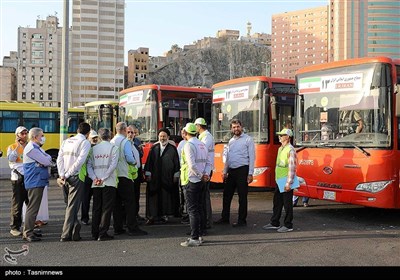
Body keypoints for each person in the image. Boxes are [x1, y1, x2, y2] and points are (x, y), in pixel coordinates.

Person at [215, 119, 255, 227]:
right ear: (231, 129)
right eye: (233, 127)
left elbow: (252, 157)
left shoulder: (248, 140)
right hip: (231, 171)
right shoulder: (231, 141)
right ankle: (225, 218)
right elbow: (228, 158)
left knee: (242, 197)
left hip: (243, 169)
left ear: (241, 127)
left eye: (237, 126)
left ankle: (242, 220)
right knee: (227, 195)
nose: (236, 129)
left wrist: (250, 173)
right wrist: (225, 171)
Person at [111, 122, 147, 236]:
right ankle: (132, 227)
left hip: (114, 176)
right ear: (125, 130)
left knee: (116, 203)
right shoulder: (125, 141)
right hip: (125, 175)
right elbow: (129, 157)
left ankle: (118, 227)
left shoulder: (112, 141)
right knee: (129, 202)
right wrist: (135, 163)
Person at [57, 122, 91, 242]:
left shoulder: (66, 141)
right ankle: (65, 235)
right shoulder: (85, 143)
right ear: (88, 133)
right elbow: (80, 162)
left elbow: (59, 159)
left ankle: (75, 229)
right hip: (75, 177)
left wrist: (62, 174)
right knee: (72, 207)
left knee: (70, 206)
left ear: (77, 130)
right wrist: (67, 174)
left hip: (64, 178)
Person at [180, 123, 210, 247]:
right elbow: (208, 162)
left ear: (186, 133)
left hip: (190, 180)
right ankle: (200, 235)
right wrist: (205, 175)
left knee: (192, 210)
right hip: (201, 181)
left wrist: (200, 175)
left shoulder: (188, 145)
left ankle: (194, 238)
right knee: (199, 209)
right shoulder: (202, 144)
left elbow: (191, 165)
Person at [87, 128, 119, 241]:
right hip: (108, 182)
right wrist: (103, 178)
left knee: (96, 208)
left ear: (99, 137)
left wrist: (95, 178)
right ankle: (102, 232)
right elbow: (113, 166)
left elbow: (89, 166)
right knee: (106, 208)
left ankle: (94, 232)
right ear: (110, 136)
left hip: (96, 183)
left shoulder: (93, 149)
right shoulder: (114, 148)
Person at [22, 127, 54, 242]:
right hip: (35, 181)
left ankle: (29, 230)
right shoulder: (31, 148)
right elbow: (46, 161)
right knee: (32, 208)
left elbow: (48, 158)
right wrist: (45, 161)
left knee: (34, 208)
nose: (43, 137)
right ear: (35, 137)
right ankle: (28, 233)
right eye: (42, 135)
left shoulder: (36, 147)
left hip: (38, 180)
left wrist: (45, 161)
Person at [263, 128, 297, 233]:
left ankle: (288, 225)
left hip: (286, 180)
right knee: (277, 202)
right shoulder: (280, 149)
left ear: (288, 137)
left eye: (282, 135)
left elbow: (292, 167)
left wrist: (289, 183)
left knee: (287, 204)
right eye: (280, 135)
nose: (280, 137)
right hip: (279, 180)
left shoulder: (290, 150)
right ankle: (275, 222)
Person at [144, 128, 180, 225]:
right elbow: (149, 162)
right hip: (155, 178)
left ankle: (165, 214)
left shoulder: (172, 149)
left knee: (166, 197)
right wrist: (148, 174)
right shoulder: (154, 148)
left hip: (167, 178)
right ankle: (153, 216)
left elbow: (176, 163)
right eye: (160, 136)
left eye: (164, 136)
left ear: (168, 137)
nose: (162, 138)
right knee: (154, 197)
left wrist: (176, 175)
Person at [7, 126, 29, 237]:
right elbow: (11, 159)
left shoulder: (30, 146)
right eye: (22, 133)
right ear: (17, 135)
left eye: (26, 133)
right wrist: (18, 146)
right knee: (17, 204)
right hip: (18, 179)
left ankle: (29, 226)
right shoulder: (12, 147)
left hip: (30, 178)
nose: (25, 135)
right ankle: (15, 227)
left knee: (30, 203)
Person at [194, 117, 214, 229]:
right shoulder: (203, 136)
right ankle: (205, 221)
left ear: (199, 126)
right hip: (204, 168)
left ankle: (206, 221)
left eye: (195, 126)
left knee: (204, 197)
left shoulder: (206, 137)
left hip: (206, 169)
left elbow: (201, 151)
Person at [80, 130, 99, 225]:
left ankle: (94, 218)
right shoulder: (86, 148)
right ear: (88, 138)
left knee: (96, 199)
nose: (95, 139)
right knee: (85, 199)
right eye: (93, 138)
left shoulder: (98, 148)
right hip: (87, 178)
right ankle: (84, 218)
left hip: (96, 177)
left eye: (96, 137)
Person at [127, 125, 145, 222]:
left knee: (136, 194)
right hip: (128, 173)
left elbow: (141, 155)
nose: (130, 134)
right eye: (128, 132)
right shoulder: (124, 142)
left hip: (137, 172)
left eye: (132, 132)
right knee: (129, 196)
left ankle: (136, 214)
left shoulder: (137, 141)